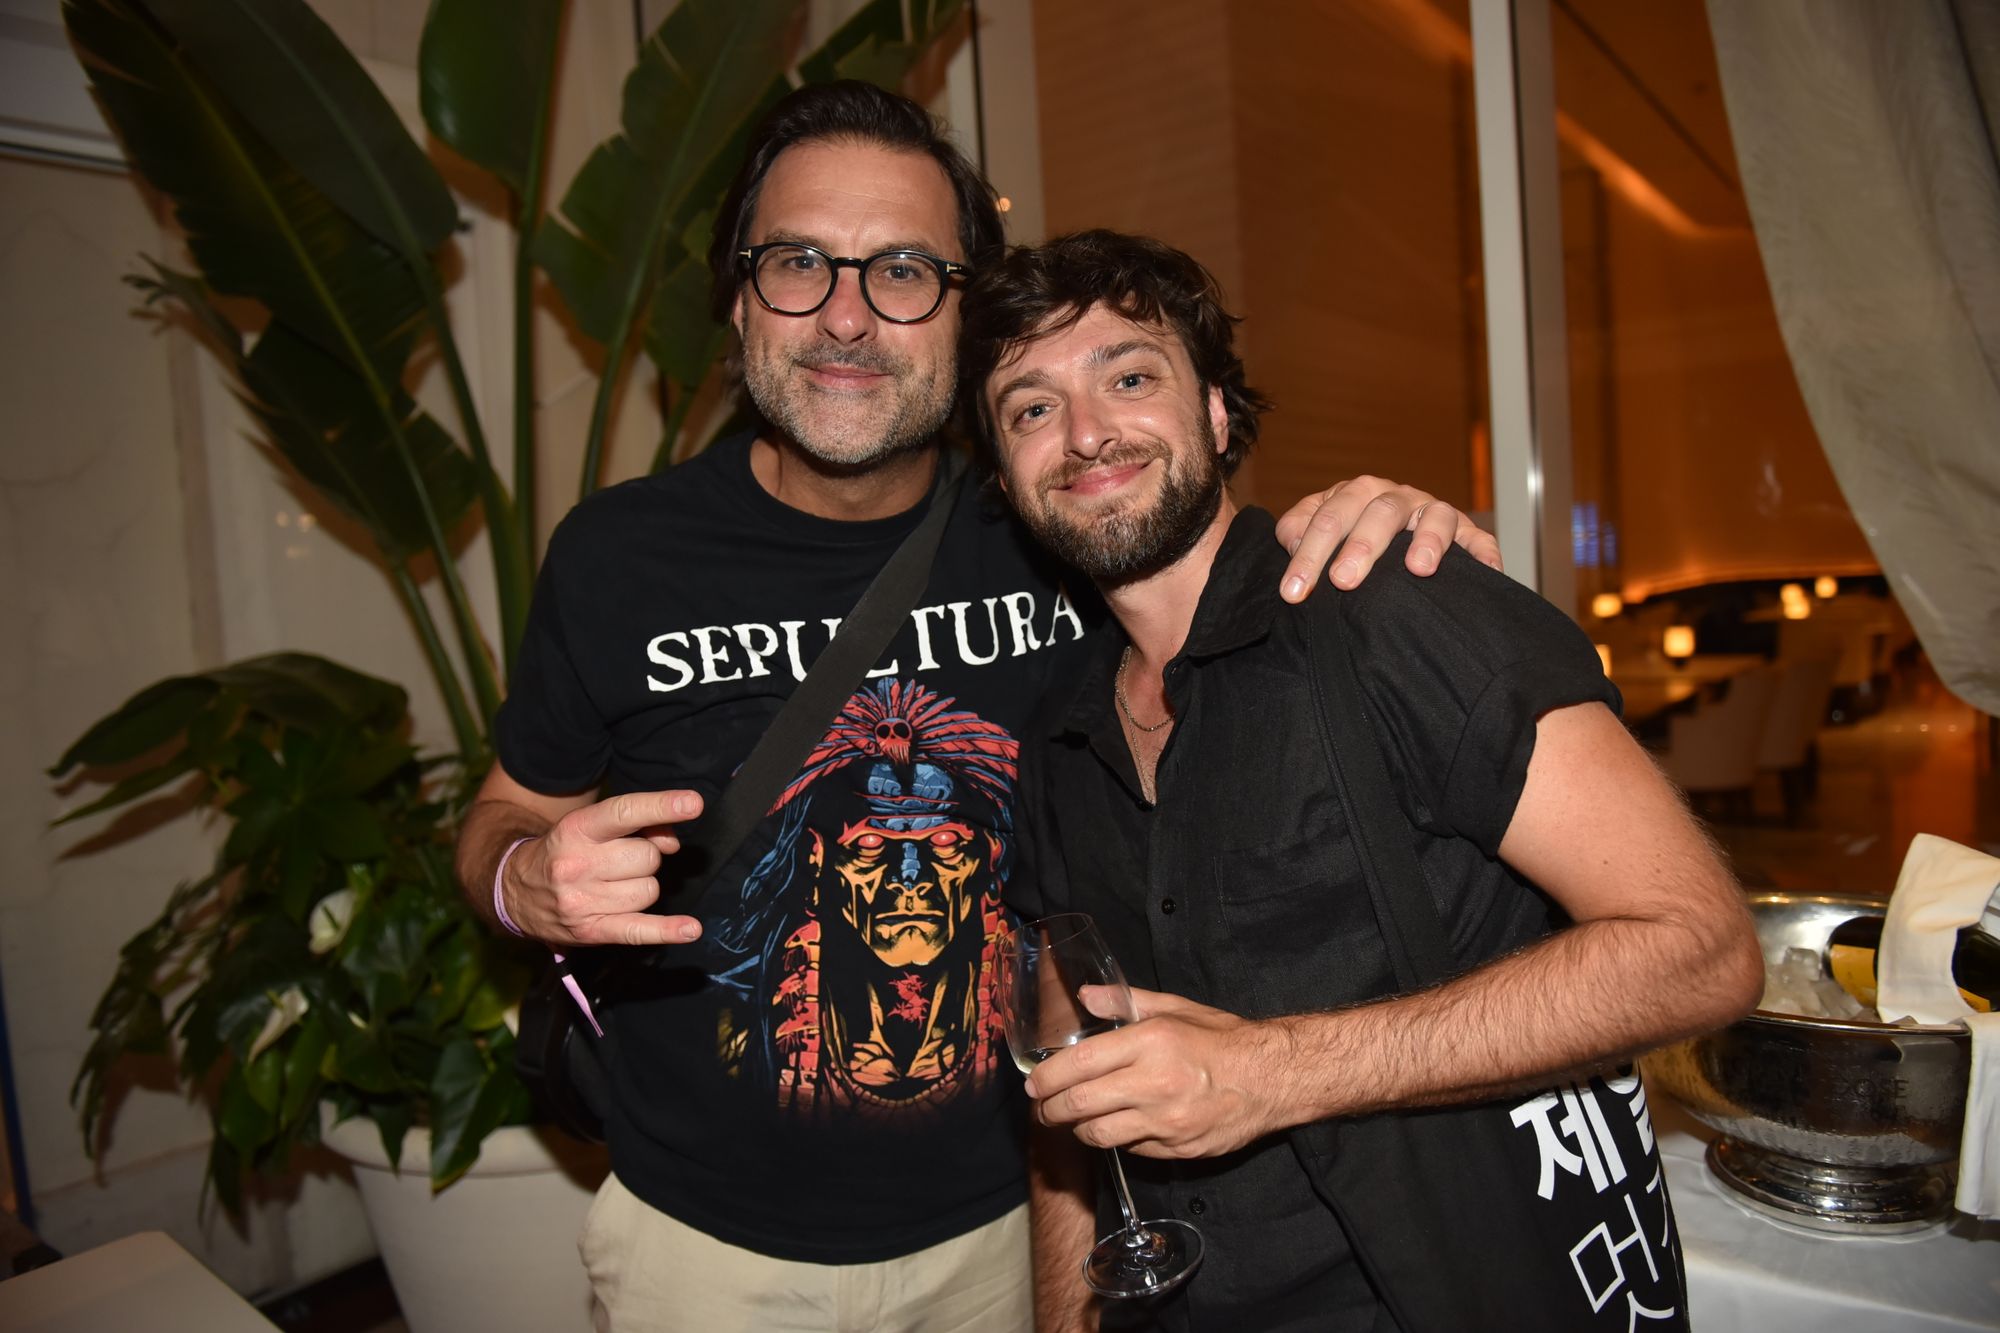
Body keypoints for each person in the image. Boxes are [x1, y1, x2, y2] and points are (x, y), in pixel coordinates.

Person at [453, 83, 1496, 1332]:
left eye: (903, 270)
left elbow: (1215, 549)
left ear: (966, 318)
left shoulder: (1059, 523)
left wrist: (1382, 521)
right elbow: (509, 807)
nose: (845, 316)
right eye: (797, 263)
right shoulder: (616, 556)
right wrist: (519, 878)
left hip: (1016, 1225)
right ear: (738, 300)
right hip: (709, 1250)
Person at [963, 230, 1764, 1332]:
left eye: (1130, 377)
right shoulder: (1056, 731)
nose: (1085, 431)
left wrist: (1274, 1072)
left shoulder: (1394, 607)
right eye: (1030, 408)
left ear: (1215, 415)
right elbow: (1068, 1092)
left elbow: (1701, 949)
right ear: (1006, 475)